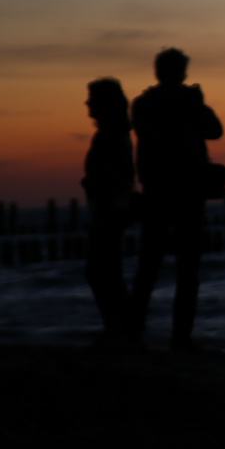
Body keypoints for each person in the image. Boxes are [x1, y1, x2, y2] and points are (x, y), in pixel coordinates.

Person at [129, 48, 223, 350]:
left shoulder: (143, 104)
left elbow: (214, 132)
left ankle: (138, 332)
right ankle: (177, 337)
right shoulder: (161, 104)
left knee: (152, 266)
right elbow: (213, 131)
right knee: (182, 269)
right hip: (180, 192)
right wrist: (195, 105)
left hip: (163, 191)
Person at [81, 77, 135, 345]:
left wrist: (93, 185)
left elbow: (114, 176)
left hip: (109, 211)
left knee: (101, 271)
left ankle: (118, 330)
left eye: (92, 98)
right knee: (107, 272)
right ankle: (121, 329)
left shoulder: (111, 135)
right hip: (110, 210)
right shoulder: (115, 133)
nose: (87, 103)